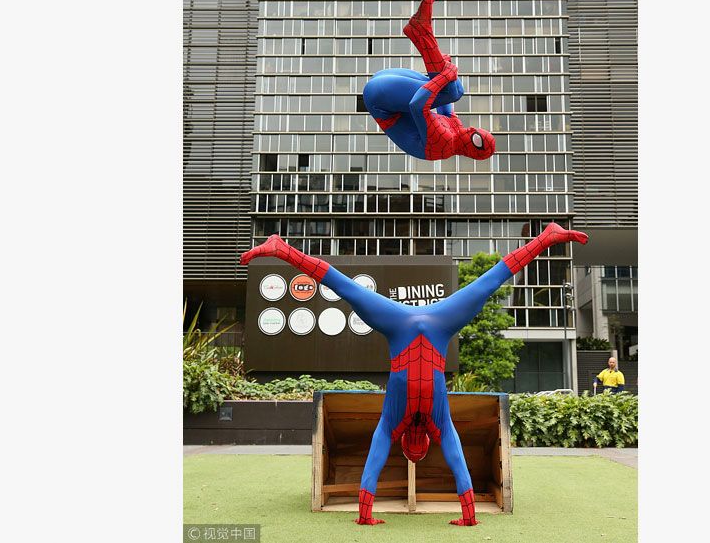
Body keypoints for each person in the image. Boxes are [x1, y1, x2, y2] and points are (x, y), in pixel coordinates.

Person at [240, 223, 588, 526]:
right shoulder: (437, 425)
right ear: (416, 446)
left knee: (353, 287)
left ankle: (282, 249)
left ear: (408, 444)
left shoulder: (394, 425)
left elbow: (385, 458)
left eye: (414, 452)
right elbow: (450, 459)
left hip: (404, 326)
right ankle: (546, 238)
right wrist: (468, 514)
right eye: (418, 453)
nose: (417, 450)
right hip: (434, 326)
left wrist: (367, 512)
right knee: (486, 282)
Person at [362, 0, 495, 161]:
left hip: (382, 100)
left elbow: (417, 106)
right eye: (479, 130)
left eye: (477, 137)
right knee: (454, 90)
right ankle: (420, 31)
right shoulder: (456, 129)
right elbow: (444, 102)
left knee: (451, 89)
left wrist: (444, 75)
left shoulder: (444, 145)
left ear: (472, 149)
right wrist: (444, 71)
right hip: (390, 87)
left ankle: (421, 31)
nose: (473, 129)